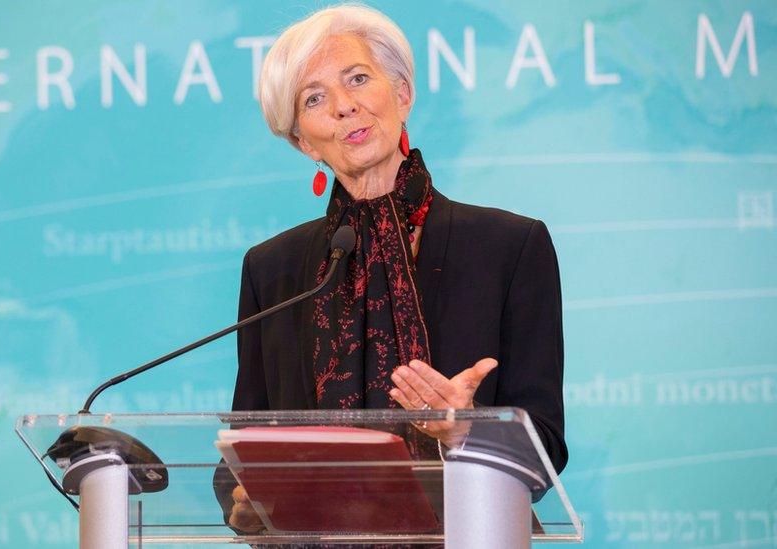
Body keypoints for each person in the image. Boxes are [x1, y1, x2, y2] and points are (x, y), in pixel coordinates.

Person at [219, 4, 567, 534]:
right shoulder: (274, 271)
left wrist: (465, 432)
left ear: (401, 94)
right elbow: (244, 449)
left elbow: (545, 450)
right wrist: (243, 502)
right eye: (314, 99)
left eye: (358, 78)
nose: (344, 106)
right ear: (303, 141)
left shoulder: (510, 248)